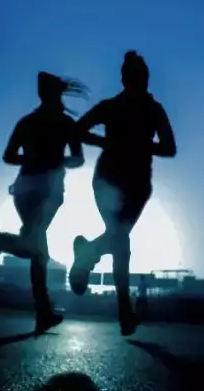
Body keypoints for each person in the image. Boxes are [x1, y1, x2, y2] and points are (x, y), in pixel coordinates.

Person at [68, 51, 176, 336]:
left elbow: (170, 148)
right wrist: (111, 142)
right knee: (120, 239)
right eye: (135, 76)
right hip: (111, 180)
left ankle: (87, 256)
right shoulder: (118, 107)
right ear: (128, 79)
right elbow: (77, 131)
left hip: (136, 186)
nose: (138, 80)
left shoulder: (150, 109)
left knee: (118, 238)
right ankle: (123, 311)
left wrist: (132, 145)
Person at [0, 72, 87, 334]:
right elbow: (78, 159)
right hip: (48, 190)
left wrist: (31, 159)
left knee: (38, 251)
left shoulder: (27, 122)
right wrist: (57, 161)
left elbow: (9, 156)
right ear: (57, 94)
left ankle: (43, 312)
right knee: (37, 249)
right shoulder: (65, 123)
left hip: (23, 190)